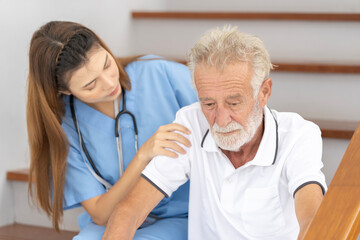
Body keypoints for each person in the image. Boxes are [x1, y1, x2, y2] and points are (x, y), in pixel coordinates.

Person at [102, 25, 327, 240]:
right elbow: (129, 211)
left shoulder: (299, 135)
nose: (220, 120)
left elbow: (313, 219)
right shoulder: (191, 123)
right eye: (208, 104)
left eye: (234, 103)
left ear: (264, 92)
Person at [26, 21, 197, 240]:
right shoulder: (66, 127)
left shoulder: (158, 73)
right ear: (64, 90)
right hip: (112, 217)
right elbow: (101, 213)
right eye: (90, 85)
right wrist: (143, 156)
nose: (109, 83)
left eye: (107, 64)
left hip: (180, 215)